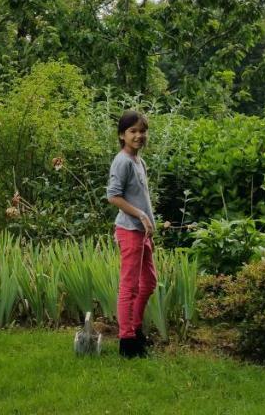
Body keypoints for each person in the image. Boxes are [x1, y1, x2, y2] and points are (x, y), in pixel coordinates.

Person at [106, 109, 156, 358]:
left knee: (149, 282)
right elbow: (113, 196)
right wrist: (140, 216)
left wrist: (149, 224)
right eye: (132, 131)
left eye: (142, 131)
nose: (138, 136)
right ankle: (127, 342)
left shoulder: (139, 161)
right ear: (122, 135)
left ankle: (135, 330)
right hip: (129, 231)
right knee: (130, 286)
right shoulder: (122, 161)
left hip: (143, 232)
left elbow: (142, 198)